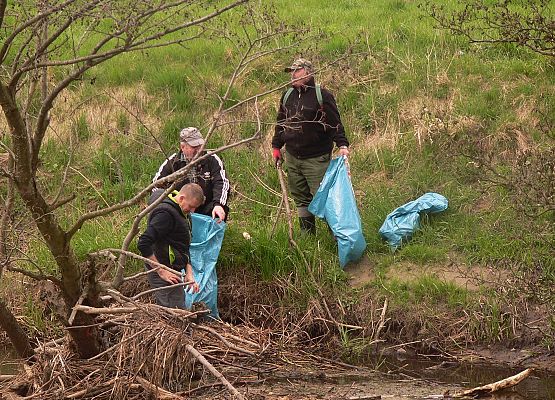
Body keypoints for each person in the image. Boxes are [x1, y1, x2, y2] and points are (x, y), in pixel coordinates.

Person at [271, 58, 350, 234]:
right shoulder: (287, 95)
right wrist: (276, 146)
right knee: (301, 199)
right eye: (291, 71)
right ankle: (308, 238)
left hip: (316, 160)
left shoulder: (322, 95)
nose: (292, 75)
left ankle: (339, 238)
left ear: (308, 73)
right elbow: (281, 123)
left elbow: (335, 124)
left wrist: (342, 144)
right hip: (292, 158)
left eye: (296, 71)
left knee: (325, 199)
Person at [137, 183, 204, 308]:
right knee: (172, 312)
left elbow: (183, 245)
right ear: (182, 198)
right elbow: (143, 243)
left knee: (179, 306)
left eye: (195, 208)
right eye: (191, 206)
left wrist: (189, 273)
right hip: (161, 266)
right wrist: (161, 271)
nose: (192, 211)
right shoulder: (165, 215)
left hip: (173, 269)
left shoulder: (183, 212)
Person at [152, 127, 230, 222]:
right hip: (181, 209)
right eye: (194, 147)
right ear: (182, 147)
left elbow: (221, 182)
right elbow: (156, 186)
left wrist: (219, 204)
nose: (198, 150)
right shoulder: (172, 162)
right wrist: (171, 205)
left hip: (206, 207)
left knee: (220, 209)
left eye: (200, 146)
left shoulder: (212, 159)